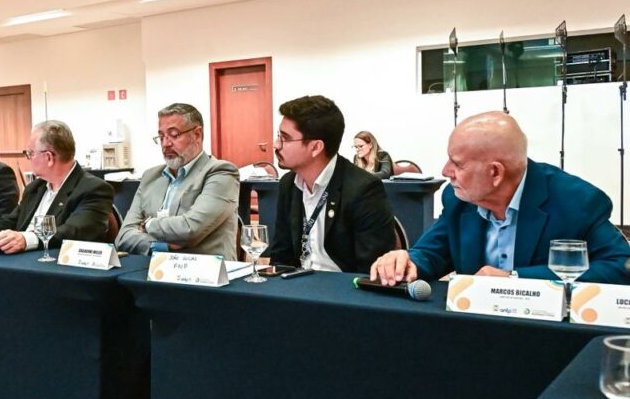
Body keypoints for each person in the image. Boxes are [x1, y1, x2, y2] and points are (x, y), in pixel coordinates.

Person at [371, 111, 630, 285]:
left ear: (495, 172)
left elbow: (620, 266)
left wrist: (514, 280)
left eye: (457, 164)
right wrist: (408, 261)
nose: (445, 171)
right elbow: (434, 251)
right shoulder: (459, 199)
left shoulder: (576, 201)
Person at [0, 120, 113, 253]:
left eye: (30, 153)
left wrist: (27, 239)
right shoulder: (36, 188)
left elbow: (74, 231)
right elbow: (9, 221)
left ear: (48, 157)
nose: (28, 158)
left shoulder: (93, 189)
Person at [268, 96, 396, 273]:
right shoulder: (288, 184)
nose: (276, 145)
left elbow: (371, 270)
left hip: (343, 286)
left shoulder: (363, 189)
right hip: (297, 284)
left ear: (316, 147)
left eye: (285, 138)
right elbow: (281, 256)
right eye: (278, 136)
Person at [116, 103, 239, 259]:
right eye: (161, 137)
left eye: (174, 135)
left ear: (197, 134)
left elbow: (190, 228)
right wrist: (162, 246)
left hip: (204, 271)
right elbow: (123, 237)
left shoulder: (221, 172)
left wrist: (148, 224)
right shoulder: (150, 177)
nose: (165, 144)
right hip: (154, 269)